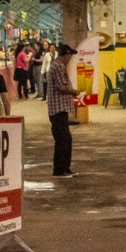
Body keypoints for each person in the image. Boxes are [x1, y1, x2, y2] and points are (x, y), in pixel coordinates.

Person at [44, 43, 79, 177]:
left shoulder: (57, 66)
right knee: (62, 140)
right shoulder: (59, 67)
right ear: (67, 55)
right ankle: (60, 169)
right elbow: (61, 87)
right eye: (70, 56)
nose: (71, 59)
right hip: (58, 109)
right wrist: (74, 91)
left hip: (59, 109)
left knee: (65, 139)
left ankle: (64, 167)